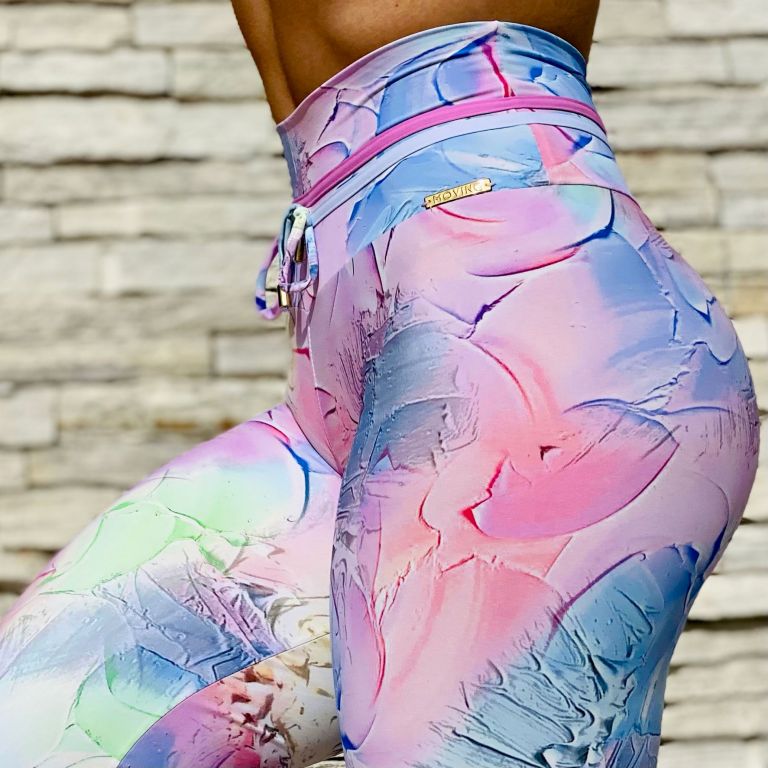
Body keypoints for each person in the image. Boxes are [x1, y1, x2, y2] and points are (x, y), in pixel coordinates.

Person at [0, 5, 760, 768]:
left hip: (540, 344)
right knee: (36, 724)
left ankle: (449, 678)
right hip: (345, 397)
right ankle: (418, 668)